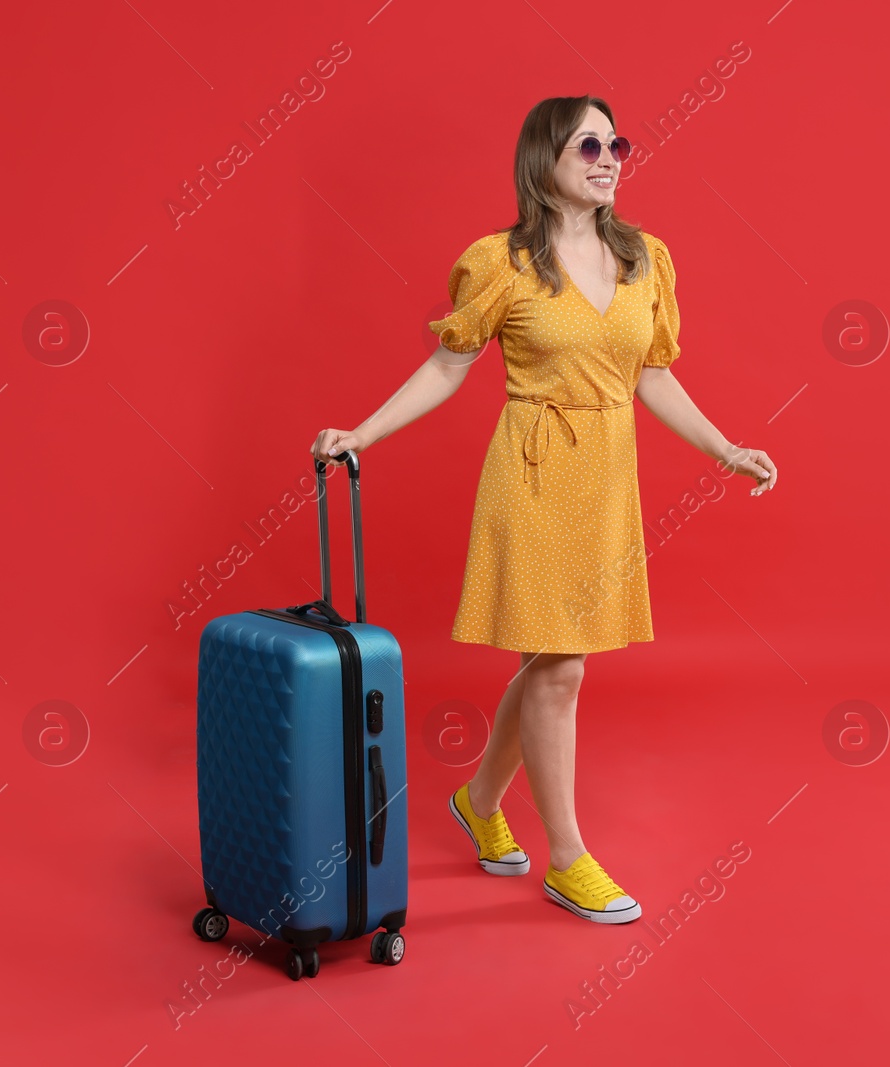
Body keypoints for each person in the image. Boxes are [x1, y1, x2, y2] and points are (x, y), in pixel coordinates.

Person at [310, 94, 778, 924]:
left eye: (616, 143)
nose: (609, 158)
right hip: (531, 473)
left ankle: (480, 800)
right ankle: (567, 855)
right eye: (587, 145)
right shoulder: (502, 262)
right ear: (544, 162)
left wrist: (724, 449)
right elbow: (448, 369)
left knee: (555, 665)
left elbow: (652, 376)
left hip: (606, 477)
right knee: (561, 667)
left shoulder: (644, 258)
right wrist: (363, 433)